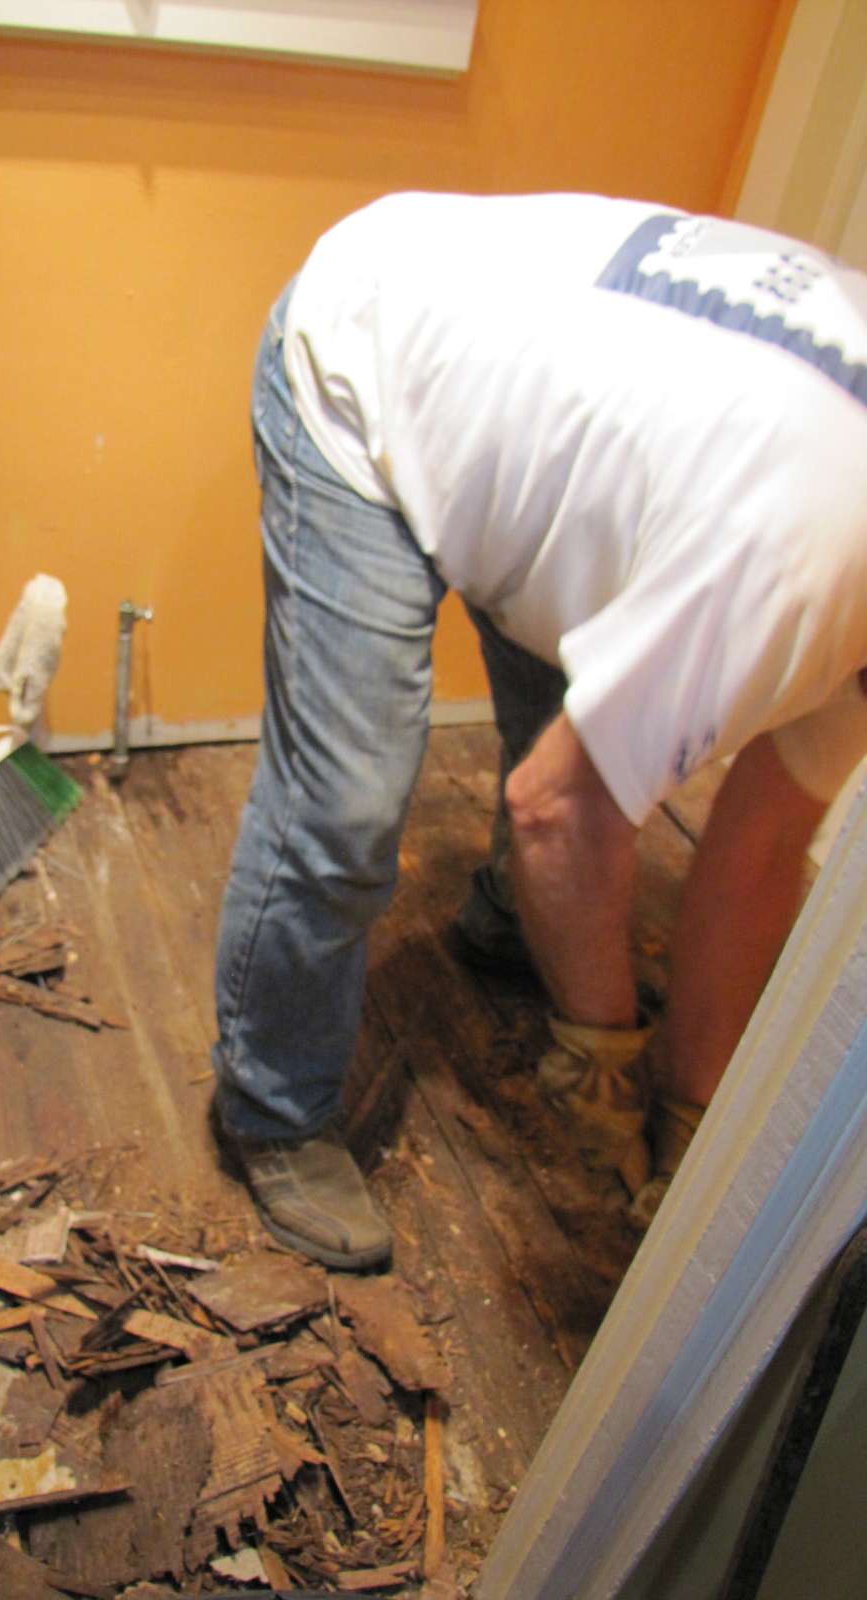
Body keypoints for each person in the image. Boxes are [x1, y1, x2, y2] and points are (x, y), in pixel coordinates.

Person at [210, 192, 867, 1271]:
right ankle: (270, 1106)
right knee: (346, 804)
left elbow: (759, 845)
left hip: (540, 432)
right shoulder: (801, 564)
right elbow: (558, 810)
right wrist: (602, 1060)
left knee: (570, 739)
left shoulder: (829, 574)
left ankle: (512, 923)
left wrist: (690, 1112)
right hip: (370, 355)